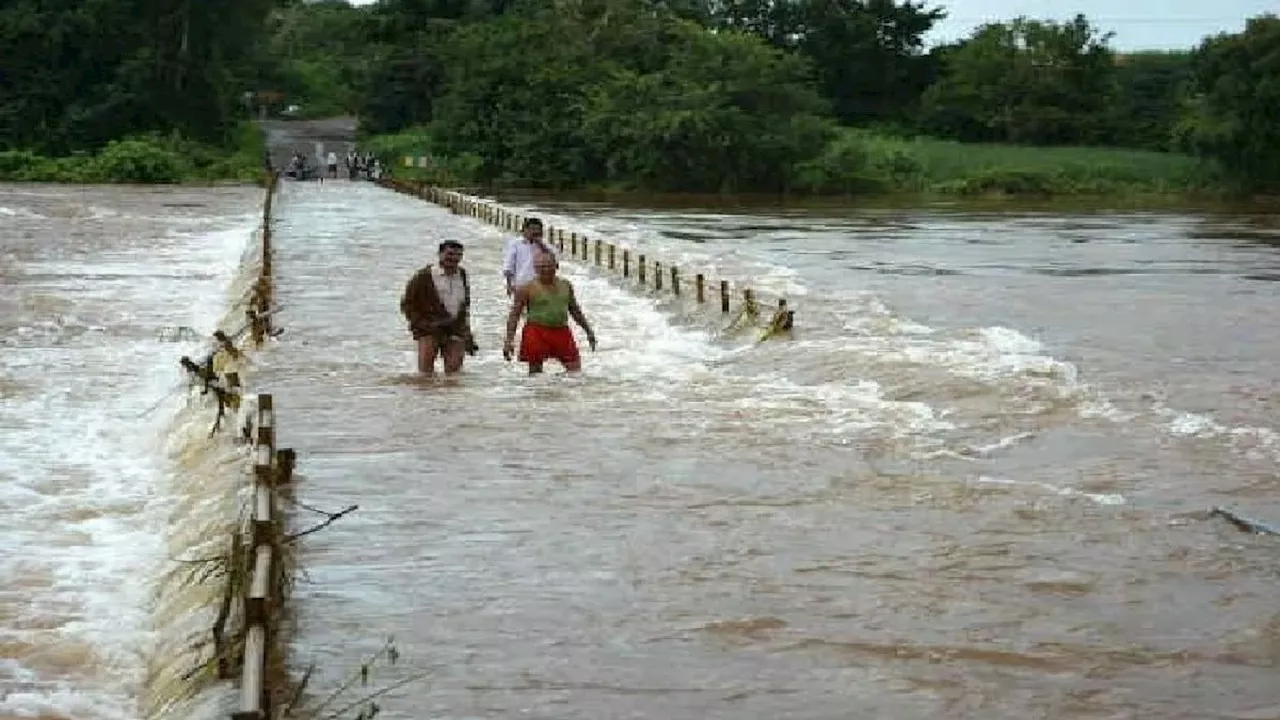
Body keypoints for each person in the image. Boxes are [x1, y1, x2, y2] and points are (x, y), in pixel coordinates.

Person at [503, 254, 596, 374]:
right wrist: (509, 340)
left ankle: (563, 390)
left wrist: (588, 331)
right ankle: (541, 392)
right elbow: (514, 315)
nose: (545, 270)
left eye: (549, 266)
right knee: (536, 374)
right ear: (535, 269)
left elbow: (574, 310)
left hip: (561, 330)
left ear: (556, 266)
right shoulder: (526, 288)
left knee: (575, 370)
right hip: (536, 331)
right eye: (541, 267)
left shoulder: (565, 285)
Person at [399, 241, 478, 376]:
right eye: (450, 254)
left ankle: (448, 398)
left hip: (455, 327)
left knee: (454, 374)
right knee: (425, 374)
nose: (453, 258)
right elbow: (407, 304)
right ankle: (428, 397)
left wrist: (468, 334)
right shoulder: (423, 276)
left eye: (458, 255)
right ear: (440, 254)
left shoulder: (462, 274)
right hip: (429, 328)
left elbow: (465, 305)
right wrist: (421, 324)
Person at [502, 217, 556, 296]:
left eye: (538, 229)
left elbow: (554, 263)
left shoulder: (547, 246)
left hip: (542, 287)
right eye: (532, 229)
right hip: (521, 285)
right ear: (525, 230)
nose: (535, 232)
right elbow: (508, 266)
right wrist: (509, 285)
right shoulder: (515, 244)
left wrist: (541, 245)